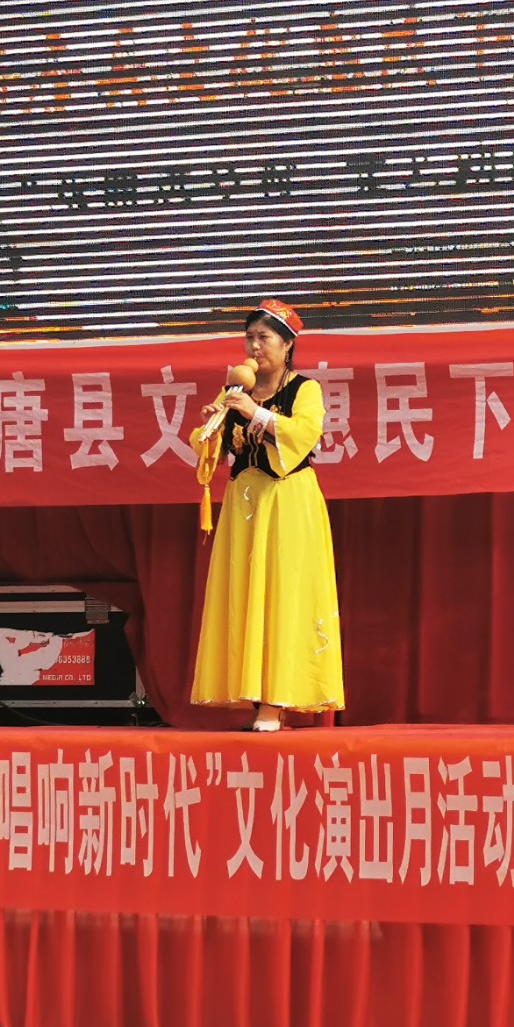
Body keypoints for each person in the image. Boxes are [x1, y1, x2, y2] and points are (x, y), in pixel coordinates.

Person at [189, 299, 344, 731]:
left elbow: (304, 433)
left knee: (282, 595)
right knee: (245, 594)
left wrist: (255, 413)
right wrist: (211, 427)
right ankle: (253, 696)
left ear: (288, 344)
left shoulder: (304, 389)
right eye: (250, 338)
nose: (255, 347)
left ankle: (277, 702)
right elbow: (211, 453)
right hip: (245, 503)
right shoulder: (233, 392)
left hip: (287, 500)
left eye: (265, 338)